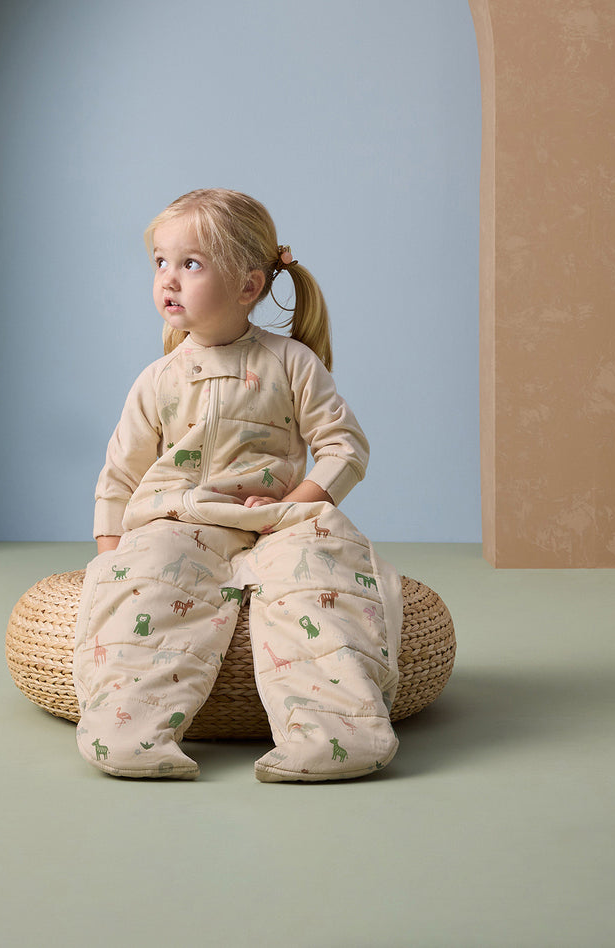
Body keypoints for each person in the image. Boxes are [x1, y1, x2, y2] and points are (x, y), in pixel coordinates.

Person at [73, 188, 403, 781]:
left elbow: (343, 445)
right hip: (180, 520)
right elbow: (120, 474)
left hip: (276, 521)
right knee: (147, 583)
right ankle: (128, 737)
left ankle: (333, 738)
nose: (168, 279)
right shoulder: (159, 380)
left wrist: (296, 504)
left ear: (249, 286)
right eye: (159, 262)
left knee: (325, 575)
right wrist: (110, 562)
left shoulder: (291, 361)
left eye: (190, 264)